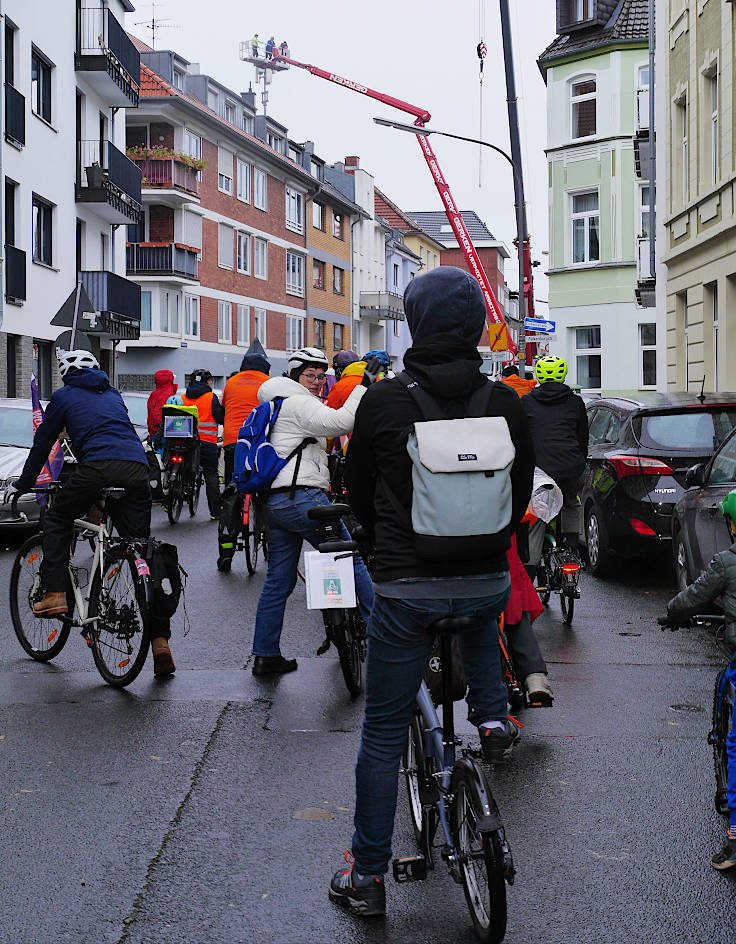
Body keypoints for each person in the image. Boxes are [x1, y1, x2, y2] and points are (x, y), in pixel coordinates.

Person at [328, 266, 534, 917]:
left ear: (415, 322)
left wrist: (377, 540)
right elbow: (520, 490)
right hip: (484, 578)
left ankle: (366, 878)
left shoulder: (385, 401)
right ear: (475, 323)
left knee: (383, 731)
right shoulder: (505, 401)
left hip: (407, 585)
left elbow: (358, 489)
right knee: (476, 611)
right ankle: (495, 718)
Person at [4, 350, 175, 676]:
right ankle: (159, 641)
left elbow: (43, 443)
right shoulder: (114, 395)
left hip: (96, 469)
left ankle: (55, 593)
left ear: (65, 374)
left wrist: (25, 483)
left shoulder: (64, 396)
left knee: (57, 518)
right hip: (137, 471)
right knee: (140, 548)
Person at [251, 346, 376, 676]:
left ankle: (265, 654)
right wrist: (362, 383)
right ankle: (384, 637)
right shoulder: (297, 402)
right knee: (351, 561)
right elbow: (341, 422)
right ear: (293, 375)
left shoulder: (274, 402)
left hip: (275, 504)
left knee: (278, 581)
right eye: (310, 375)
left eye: (322, 377)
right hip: (303, 499)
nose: (318, 382)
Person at [661, 489, 736, 870]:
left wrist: (673, 614)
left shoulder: (726, 562)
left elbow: (692, 597)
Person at [522, 355, 588, 552]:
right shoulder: (576, 403)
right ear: (563, 375)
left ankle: (532, 565)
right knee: (571, 502)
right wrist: (579, 463)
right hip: (570, 467)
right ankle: (572, 549)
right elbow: (582, 438)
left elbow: (522, 438)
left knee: (537, 510)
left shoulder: (526, 401)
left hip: (539, 470)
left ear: (538, 376)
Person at [222, 352, 271, 485]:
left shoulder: (230, 382)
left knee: (231, 479)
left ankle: (229, 501)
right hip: (257, 438)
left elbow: (224, 408)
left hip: (232, 438)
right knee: (260, 479)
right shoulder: (268, 383)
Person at [182, 368, 224, 520]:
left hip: (186, 443)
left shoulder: (182, 397)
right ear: (208, 382)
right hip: (207, 443)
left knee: (184, 468)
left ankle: (179, 493)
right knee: (211, 475)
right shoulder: (211, 397)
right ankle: (215, 513)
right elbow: (220, 418)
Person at [146, 369, 177, 438]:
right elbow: (158, 418)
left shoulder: (154, 394)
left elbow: (151, 415)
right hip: (163, 435)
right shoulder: (167, 394)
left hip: (156, 433)